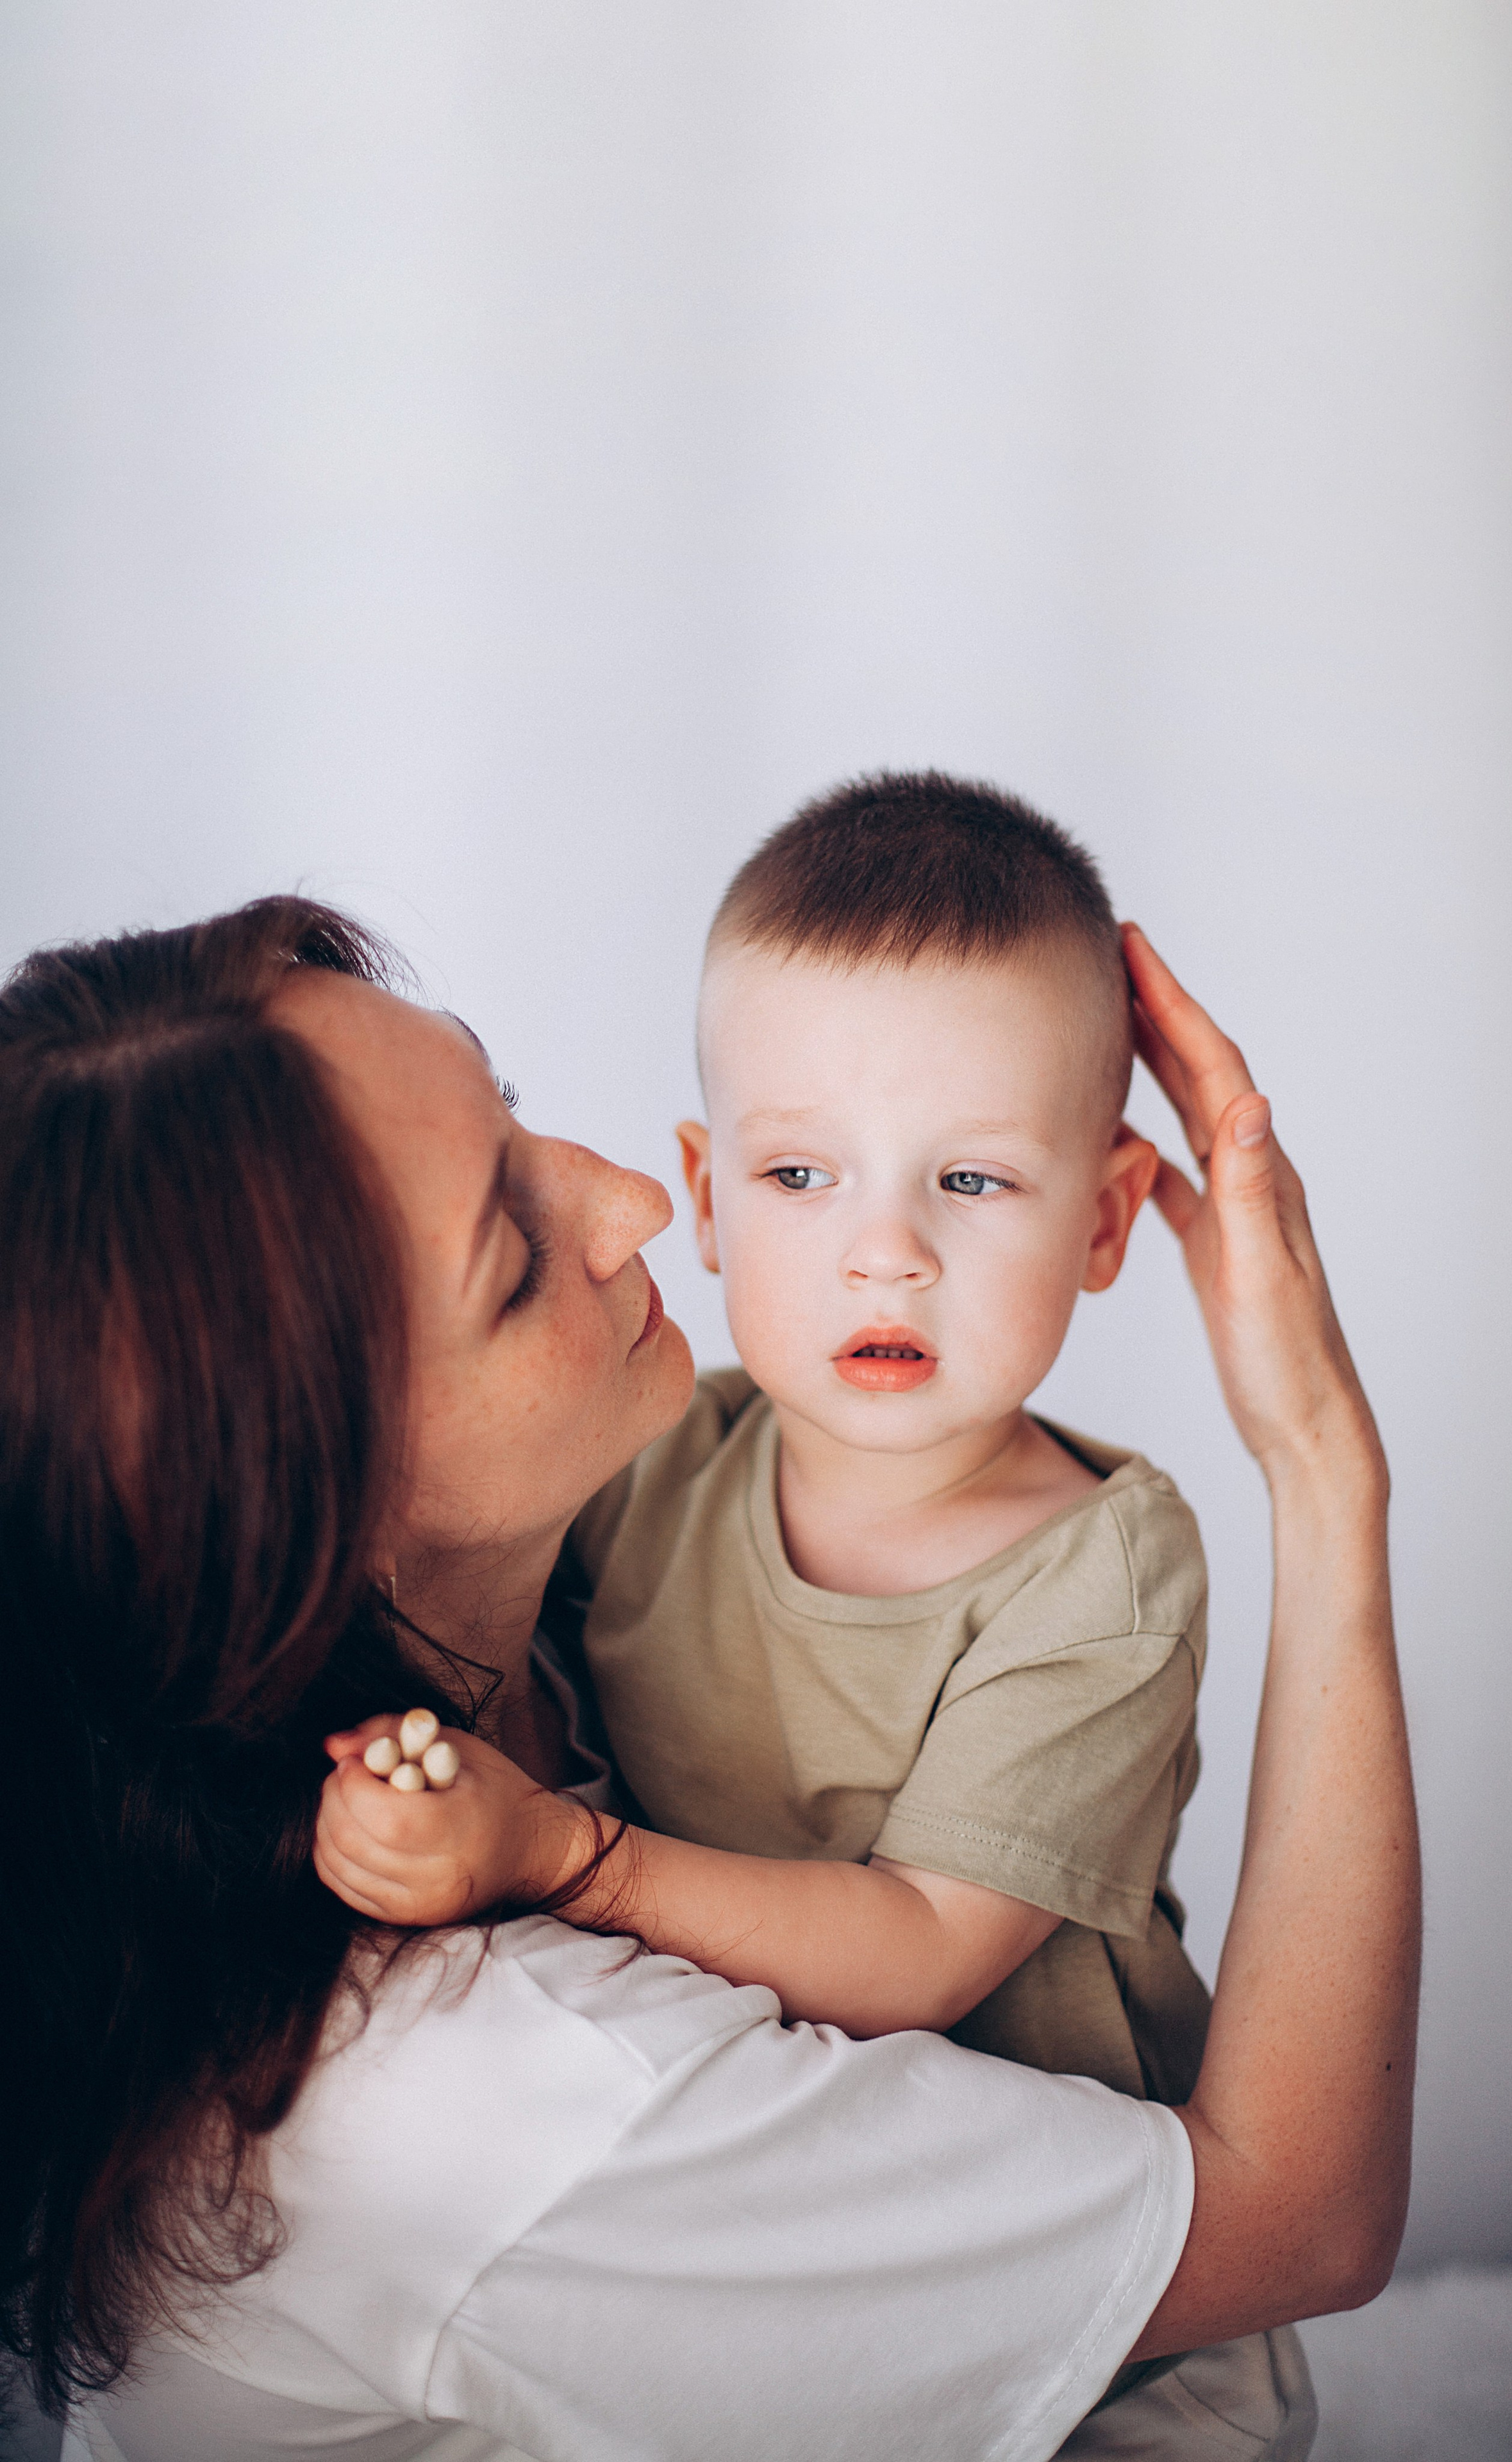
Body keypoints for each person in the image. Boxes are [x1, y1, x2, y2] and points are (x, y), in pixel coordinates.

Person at [0, 894, 1417, 2461]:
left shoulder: (544, 1605)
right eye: (513, 1257)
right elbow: (1301, 2220)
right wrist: (1322, 1469)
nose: (632, 1203)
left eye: (516, 1112)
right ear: (304, 1508)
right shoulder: (483, 2101)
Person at [315, 772, 1295, 2443]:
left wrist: (561, 1855)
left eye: (971, 1183)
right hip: (797, 2275)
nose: (885, 1254)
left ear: (1113, 1217)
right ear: (704, 1194)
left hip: (1104, 2321)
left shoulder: (1101, 1568)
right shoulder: (659, 1463)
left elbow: (916, 1950)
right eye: (800, 1177)